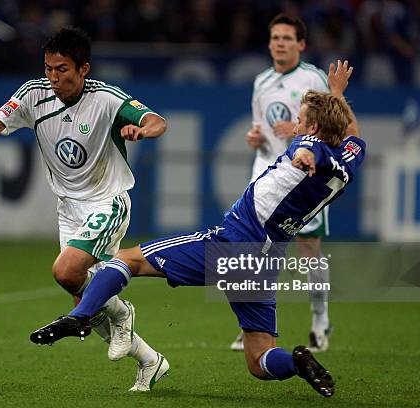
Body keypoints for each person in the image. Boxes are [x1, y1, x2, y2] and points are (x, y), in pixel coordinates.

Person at [30, 60, 362, 398]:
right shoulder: (349, 158)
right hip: (265, 261)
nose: (295, 124)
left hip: (233, 244)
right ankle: (295, 362)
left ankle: (81, 315)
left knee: (128, 260)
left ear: (314, 127)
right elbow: (351, 134)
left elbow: (308, 148)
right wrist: (336, 93)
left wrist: (305, 152)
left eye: (301, 119)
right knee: (259, 359)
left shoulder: (310, 147)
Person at [0, 27, 168, 391]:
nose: (53, 78)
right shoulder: (33, 94)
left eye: (62, 70)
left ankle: (123, 312)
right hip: (69, 210)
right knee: (84, 300)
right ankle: (150, 361)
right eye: (48, 68)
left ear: (84, 69)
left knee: (65, 272)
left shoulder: (106, 98)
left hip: (108, 201)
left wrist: (142, 132)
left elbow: (156, 121)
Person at [235, 13, 333, 353]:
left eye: (287, 38)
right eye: (275, 37)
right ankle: (251, 326)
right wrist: (254, 135)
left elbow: (334, 128)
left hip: (305, 176)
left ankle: (320, 318)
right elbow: (258, 125)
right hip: (268, 169)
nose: (280, 43)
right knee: (253, 250)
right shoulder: (261, 80)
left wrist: (299, 131)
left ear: (301, 44)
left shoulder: (313, 79)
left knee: (309, 250)